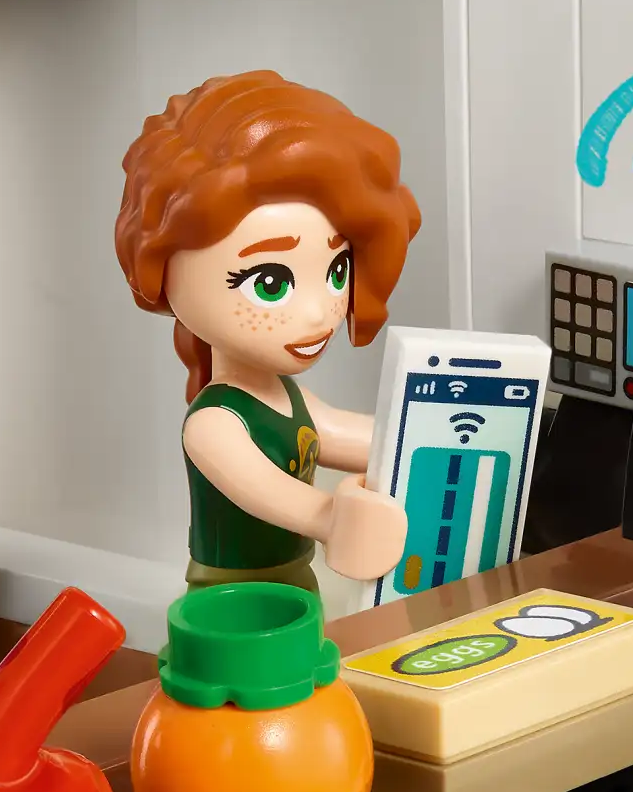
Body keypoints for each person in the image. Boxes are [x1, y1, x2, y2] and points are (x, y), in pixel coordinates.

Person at [114, 71, 421, 596]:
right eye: (271, 283)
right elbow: (270, 492)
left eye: (338, 271)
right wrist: (332, 518)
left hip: (295, 583)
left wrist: (443, 432)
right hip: (232, 600)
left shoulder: (289, 399)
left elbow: (366, 438)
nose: (319, 312)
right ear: (166, 279)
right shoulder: (214, 424)